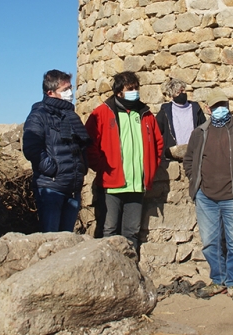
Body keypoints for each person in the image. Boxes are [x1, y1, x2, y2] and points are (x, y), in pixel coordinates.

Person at [183, 89, 233, 301]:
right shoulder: (199, 132)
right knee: (210, 242)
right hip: (206, 198)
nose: (221, 109)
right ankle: (218, 280)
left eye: (224, 105)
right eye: (216, 106)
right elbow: (189, 161)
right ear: (208, 109)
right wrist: (196, 182)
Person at [85, 71, 163, 250]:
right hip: (111, 184)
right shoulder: (102, 113)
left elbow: (158, 144)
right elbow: (89, 144)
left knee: (132, 232)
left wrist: (150, 169)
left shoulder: (145, 114)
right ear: (119, 91)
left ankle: (131, 270)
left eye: (136, 88)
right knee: (109, 230)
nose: (134, 91)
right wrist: (101, 167)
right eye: (130, 88)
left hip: (136, 185)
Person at [23, 70, 91, 232]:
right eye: (65, 89)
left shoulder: (70, 116)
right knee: (51, 239)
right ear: (50, 92)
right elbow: (32, 149)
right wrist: (53, 170)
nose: (70, 93)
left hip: (72, 188)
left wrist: (82, 167)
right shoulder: (39, 116)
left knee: (66, 240)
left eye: (70, 88)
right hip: (52, 189)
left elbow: (80, 145)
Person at [155, 79, 206, 160]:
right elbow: (156, 131)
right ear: (172, 96)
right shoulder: (165, 111)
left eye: (182, 91)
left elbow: (204, 128)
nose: (181, 94)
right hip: (172, 156)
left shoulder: (196, 108)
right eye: (178, 93)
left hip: (194, 155)